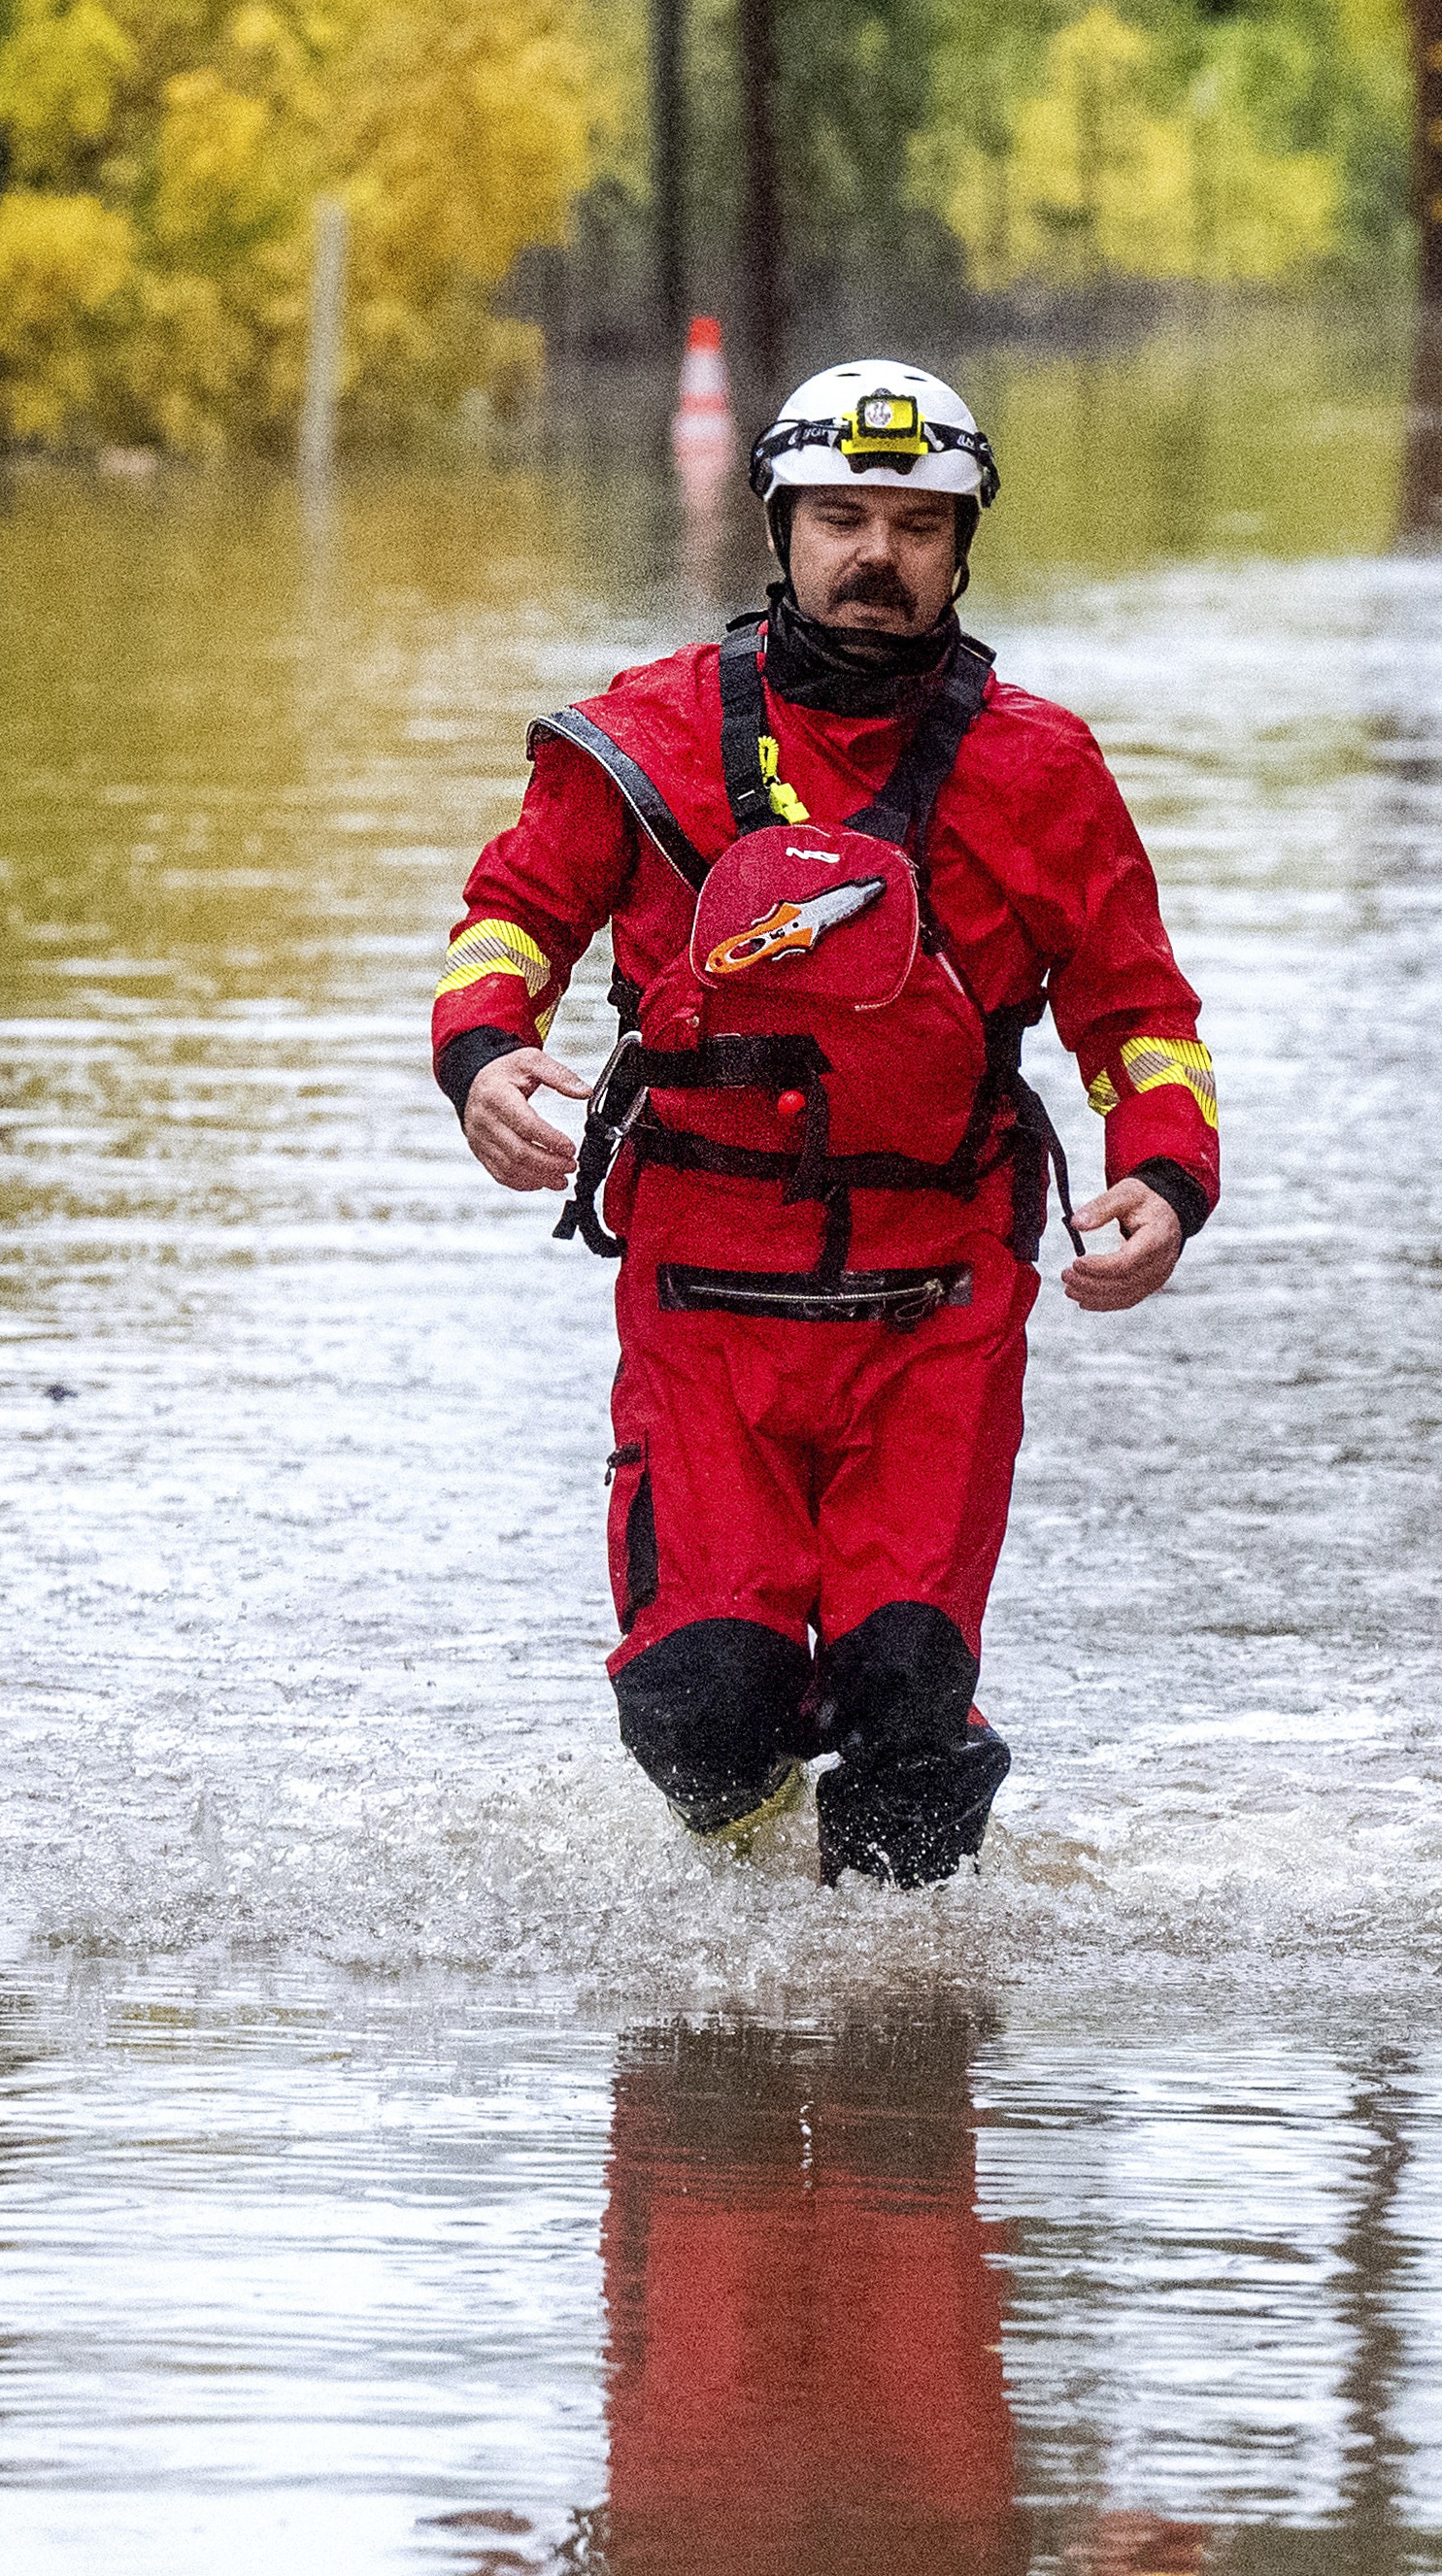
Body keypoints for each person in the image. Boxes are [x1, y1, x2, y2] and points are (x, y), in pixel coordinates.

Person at [435, 361, 1219, 1885]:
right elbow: (511, 918)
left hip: (939, 1298)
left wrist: (1165, 1180)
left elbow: (1137, 1013)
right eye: (843, 517)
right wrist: (480, 1054)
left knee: (911, 1695)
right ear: (778, 527)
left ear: (962, 544)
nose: (878, 553)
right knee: (700, 1700)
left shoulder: (1042, 768)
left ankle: (899, 2050)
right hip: (703, 1292)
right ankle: (753, 1903)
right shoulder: (640, 737)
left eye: (917, 524)